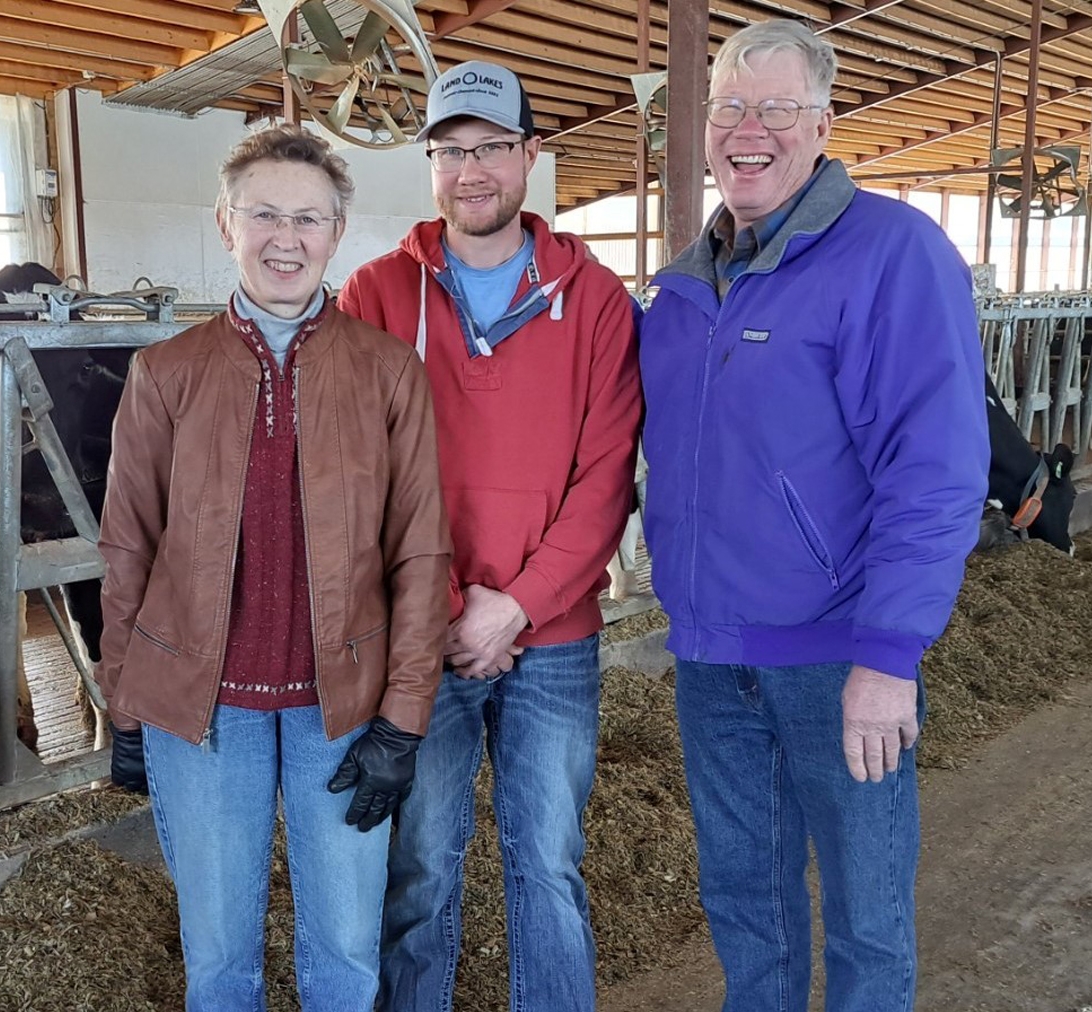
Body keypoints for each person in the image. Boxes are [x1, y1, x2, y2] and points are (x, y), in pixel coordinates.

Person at [638, 20, 987, 1012]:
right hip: (710, 658)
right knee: (745, 900)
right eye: (730, 108)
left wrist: (888, 655)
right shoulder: (683, 287)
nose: (750, 129)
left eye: (776, 109)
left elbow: (936, 471)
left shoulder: (892, 256)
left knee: (865, 912)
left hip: (839, 658)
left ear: (823, 123)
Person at [95, 124, 453, 1011]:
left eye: (308, 218)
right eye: (263, 214)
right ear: (226, 225)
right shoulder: (165, 372)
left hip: (345, 706)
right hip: (202, 712)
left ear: (337, 234)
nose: (284, 238)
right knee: (219, 958)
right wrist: (128, 699)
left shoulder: (386, 372)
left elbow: (419, 549)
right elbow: (128, 545)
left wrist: (404, 718)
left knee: (344, 951)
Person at [339, 60, 642, 1012]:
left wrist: (515, 606)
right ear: (430, 163)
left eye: (492, 149)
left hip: (553, 640)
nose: (472, 171)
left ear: (530, 157)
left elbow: (605, 480)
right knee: (419, 863)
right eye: (450, 151)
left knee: (547, 862)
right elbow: (359, 474)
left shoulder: (595, 301)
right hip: (423, 641)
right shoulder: (377, 294)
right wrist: (451, 612)